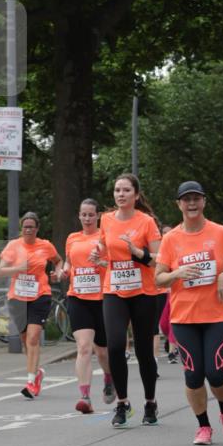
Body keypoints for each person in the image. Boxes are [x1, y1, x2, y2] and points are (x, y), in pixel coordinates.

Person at [156, 181, 223, 445]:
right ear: (179, 204)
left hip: (217, 313)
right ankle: (203, 426)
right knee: (193, 375)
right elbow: (159, 279)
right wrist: (176, 273)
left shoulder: (218, 233)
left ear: (203, 201)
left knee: (215, 373)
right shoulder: (171, 239)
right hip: (184, 317)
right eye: (186, 199)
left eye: (196, 199)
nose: (191, 204)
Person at [99, 173, 161, 426]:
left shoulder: (146, 222)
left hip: (144, 292)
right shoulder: (106, 220)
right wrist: (98, 254)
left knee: (144, 350)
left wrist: (137, 252)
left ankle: (150, 402)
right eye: (117, 190)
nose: (120, 194)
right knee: (114, 345)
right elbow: (106, 249)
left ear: (136, 195)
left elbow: (158, 259)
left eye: (126, 190)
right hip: (114, 289)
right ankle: (123, 403)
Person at [0, 212, 63, 398]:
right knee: (26, 339)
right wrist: (18, 268)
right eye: (25, 226)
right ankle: (37, 372)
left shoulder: (45, 245)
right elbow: (1, 271)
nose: (27, 230)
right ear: (21, 228)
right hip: (17, 297)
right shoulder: (13, 246)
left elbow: (58, 261)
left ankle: (30, 381)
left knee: (33, 338)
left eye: (31, 227)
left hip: (40, 295)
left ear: (37, 229)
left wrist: (58, 273)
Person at [63, 198, 115, 413]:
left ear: (98, 216)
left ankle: (109, 377)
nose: (86, 218)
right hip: (77, 297)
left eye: (91, 215)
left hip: (102, 299)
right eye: (83, 214)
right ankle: (85, 397)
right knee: (84, 347)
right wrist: (64, 271)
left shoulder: (105, 237)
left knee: (102, 352)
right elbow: (68, 262)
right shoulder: (72, 238)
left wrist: (101, 263)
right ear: (79, 215)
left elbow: (115, 264)